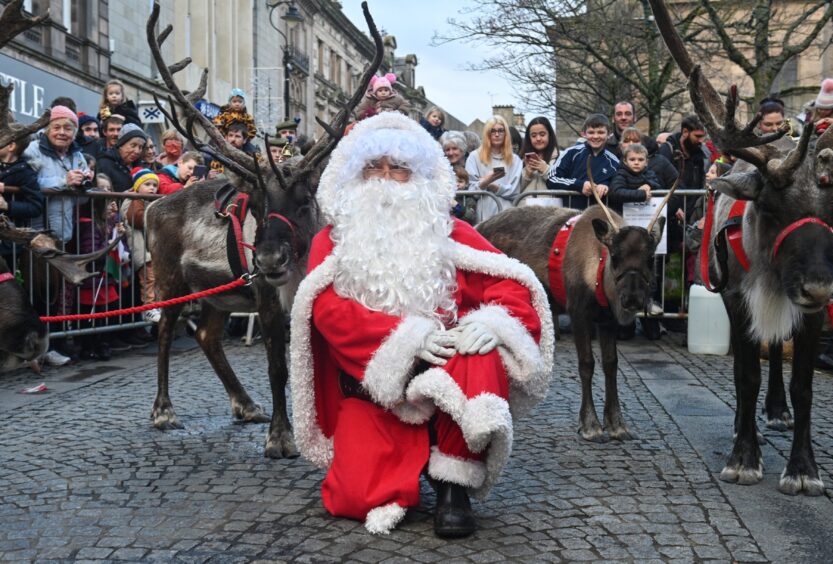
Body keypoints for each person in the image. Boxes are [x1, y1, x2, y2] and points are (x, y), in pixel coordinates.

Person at [289, 112, 553, 538]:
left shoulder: (450, 232)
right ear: (355, 175)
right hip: (373, 382)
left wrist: (493, 322)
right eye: (374, 167)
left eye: (398, 168)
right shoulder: (331, 241)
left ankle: (454, 486)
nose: (386, 179)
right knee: (355, 497)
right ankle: (401, 459)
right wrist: (407, 339)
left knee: (479, 351)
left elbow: (513, 284)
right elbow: (326, 312)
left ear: (419, 176)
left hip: (447, 363)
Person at [24, 105, 92, 242]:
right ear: (47, 130)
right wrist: (64, 182)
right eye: (56, 128)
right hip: (35, 231)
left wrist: (85, 185)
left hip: (63, 232)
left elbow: (82, 200)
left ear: (74, 134)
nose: (62, 132)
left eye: (68, 129)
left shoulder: (78, 156)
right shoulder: (32, 150)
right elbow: (27, 185)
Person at [546, 114, 619, 209]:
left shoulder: (614, 162)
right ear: (584, 134)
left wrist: (606, 186)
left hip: (599, 218)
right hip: (570, 215)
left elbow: (619, 185)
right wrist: (579, 185)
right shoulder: (571, 153)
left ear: (609, 134)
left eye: (601, 132)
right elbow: (551, 179)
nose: (596, 136)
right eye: (591, 132)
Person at [121, 168, 160, 324]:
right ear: (137, 186)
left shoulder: (149, 201)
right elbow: (137, 219)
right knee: (148, 278)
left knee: (157, 279)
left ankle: (157, 305)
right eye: (147, 184)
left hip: (151, 248)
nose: (152, 188)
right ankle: (149, 307)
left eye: (155, 185)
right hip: (139, 248)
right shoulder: (131, 200)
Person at [464, 115, 522, 220]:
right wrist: (485, 182)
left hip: (508, 217)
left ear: (506, 134)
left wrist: (493, 186)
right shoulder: (474, 157)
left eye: (501, 131)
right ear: (487, 134)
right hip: (483, 217)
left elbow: (515, 192)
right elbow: (471, 191)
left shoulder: (515, 160)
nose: (497, 134)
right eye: (493, 131)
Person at [0, 124, 44, 260]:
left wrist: (7, 205)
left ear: (11, 146)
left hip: (7, 242)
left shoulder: (25, 173)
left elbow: (36, 206)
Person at [608, 143, 661, 214]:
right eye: (632, 159)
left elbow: (658, 185)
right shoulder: (620, 174)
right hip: (623, 215)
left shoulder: (650, 173)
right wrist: (641, 194)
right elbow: (616, 192)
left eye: (641, 160)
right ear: (625, 161)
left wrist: (649, 185)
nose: (636, 162)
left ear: (646, 162)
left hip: (646, 215)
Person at [658, 115, 708, 190]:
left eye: (703, 137)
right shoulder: (667, 150)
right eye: (697, 136)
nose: (701, 140)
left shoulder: (699, 153)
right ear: (685, 132)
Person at [519, 116, 560, 206]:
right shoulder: (521, 160)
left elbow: (563, 184)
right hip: (525, 213)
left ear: (549, 135)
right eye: (533, 135)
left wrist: (546, 170)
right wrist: (527, 175)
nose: (538, 138)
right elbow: (515, 190)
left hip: (551, 212)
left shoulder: (561, 158)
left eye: (542, 134)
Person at [96, 123, 148, 192]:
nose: (137, 151)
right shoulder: (104, 164)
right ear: (121, 145)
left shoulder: (142, 167)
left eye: (140, 147)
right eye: (133, 145)